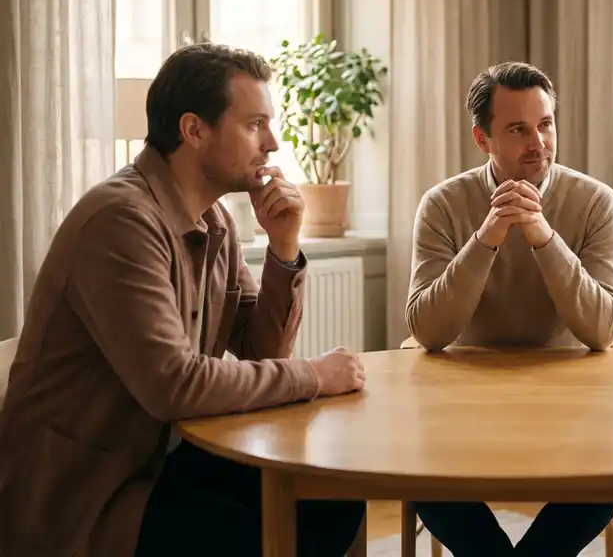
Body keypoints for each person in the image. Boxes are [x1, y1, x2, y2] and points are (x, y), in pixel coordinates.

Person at [0, 44, 367, 557]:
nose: (274, 143)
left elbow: (263, 353)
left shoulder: (215, 221)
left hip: (160, 462)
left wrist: (284, 247)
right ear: (194, 130)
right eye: (255, 124)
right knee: (256, 533)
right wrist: (315, 375)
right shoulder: (120, 221)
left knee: (334, 494)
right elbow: (175, 384)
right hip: (90, 492)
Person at [407, 61, 613, 555]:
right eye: (518, 129)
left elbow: (604, 329)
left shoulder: (595, 202)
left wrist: (543, 236)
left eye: (545, 124)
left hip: (574, 393)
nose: (539, 142)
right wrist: (486, 237)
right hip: (464, 394)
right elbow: (428, 330)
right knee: (412, 462)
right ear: (482, 139)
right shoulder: (443, 204)